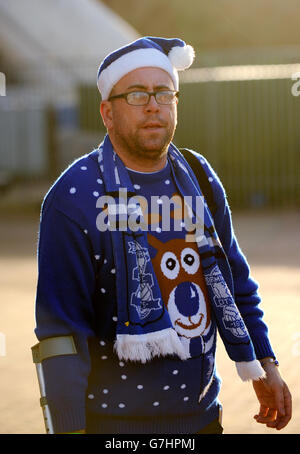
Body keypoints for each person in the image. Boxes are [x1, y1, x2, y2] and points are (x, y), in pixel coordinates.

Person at [34, 37, 292, 434]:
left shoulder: (199, 176)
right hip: (113, 429)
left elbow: (236, 282)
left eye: (163, 93)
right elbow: (61, 335)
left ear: (176, 103)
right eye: (136, 94)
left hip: (204, 421)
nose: (153, 105)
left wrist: (264, 365)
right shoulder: (74, 198)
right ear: (107, 112)